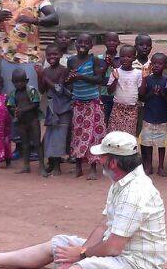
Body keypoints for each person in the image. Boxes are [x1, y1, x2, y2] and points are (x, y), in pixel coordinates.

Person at [0, 131, 167, 269]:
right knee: (59, 243)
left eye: (102, 156)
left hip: (137, 266)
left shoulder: (135, 192)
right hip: (120, 252)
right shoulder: (122, 182)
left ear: (113, 163)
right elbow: (104, 226)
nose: (98, 159)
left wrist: (83, 256)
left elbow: (114, 247)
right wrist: (82, 252)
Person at [66, 33, 108, 179]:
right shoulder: (71, 61)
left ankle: (92, 168)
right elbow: (66, 80)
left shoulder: (94, 60)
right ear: (75, 44)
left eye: (86, 43)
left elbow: (99, 79)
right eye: (80, 42)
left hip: (93, 103)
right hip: (78, 104)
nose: (82, 45)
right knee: (77, 135)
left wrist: (80, 77)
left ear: (91, 46)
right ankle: (78, 167)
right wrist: (70, 79)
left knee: (93, 137)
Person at [39, 43, 72, 176]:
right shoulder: (45, 71)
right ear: (45, 56)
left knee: (59, 136)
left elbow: (58, 88)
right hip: (51, 107)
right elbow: (42, 89)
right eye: (49, 55)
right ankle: (51, 162)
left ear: (60, 55)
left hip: (62, 107)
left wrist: (43, 76)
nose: (52, 57)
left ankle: (57, 165)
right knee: (51, 135)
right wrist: (39, 75)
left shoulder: (63, 70)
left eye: (55, 54)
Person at [138, 52, 167, 176]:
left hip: (162, 117)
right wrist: (150, 90)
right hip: (149, 116)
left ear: (165, 66)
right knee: (148, 143)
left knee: (162, 144)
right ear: (151, 65)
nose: (157, 66)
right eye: (154, 63)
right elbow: (142, 97)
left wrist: (161, 93)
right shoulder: (148, 79)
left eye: (160, 64)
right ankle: (148, 165)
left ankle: (161, 166)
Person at [8, 69, 41, 174]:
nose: (19, 84)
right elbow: (10, 106)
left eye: (22, 81)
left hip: (33, 120)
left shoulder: (31, 90)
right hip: (22, 122)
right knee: (25, 144)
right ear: (12, 82)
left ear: (26, 81)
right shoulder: (13, 94)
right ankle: (26, 166)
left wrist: (22, 110)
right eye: (16, 82)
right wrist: (14, 111)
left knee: (37, 143)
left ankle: (42, 167)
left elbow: (36, 104)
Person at [107, 45, 141, 136]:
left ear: (134, 58)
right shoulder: (115, 72)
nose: (125, 59)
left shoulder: (138, 73)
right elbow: (109, 91)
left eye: (129, 57)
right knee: (114, 135)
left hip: (132, 109)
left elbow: (141, 92)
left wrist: (145, 78)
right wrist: (116, 79)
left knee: (128, 136)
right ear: (119, 57)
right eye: (122, 56)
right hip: (117, 108)